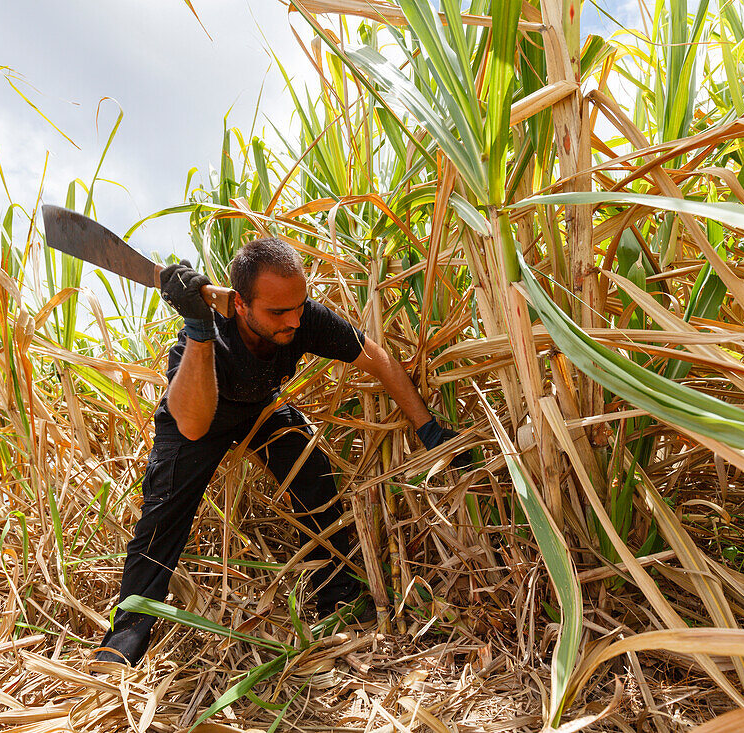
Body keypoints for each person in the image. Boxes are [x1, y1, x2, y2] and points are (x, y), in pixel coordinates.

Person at [96, 237, 467, 665]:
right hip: (197, 413)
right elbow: (193, 423)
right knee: (165, 512)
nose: (293, 320)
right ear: (240, 304)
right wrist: (199, 331)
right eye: (277, 312)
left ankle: (339, 600)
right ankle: (126, 634)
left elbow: (376, 358)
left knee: (313, 472)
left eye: (298, 305)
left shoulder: (301, 318)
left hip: (260, 408)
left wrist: (429, 429)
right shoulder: (203, 336)